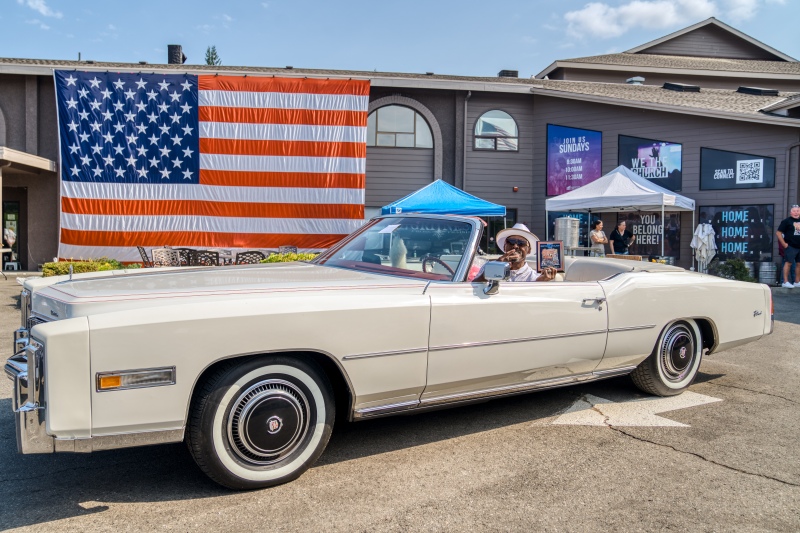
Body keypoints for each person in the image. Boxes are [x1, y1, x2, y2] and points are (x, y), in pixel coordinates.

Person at [473, 223, 556, 282]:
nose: (515, 246)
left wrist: (541, 281)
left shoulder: (534, 277)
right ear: (505, 246)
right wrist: (496, 267)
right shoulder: (489, 267)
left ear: (529, 250)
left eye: (521, 243)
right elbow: (473, 288)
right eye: (511, 241)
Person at [775, 204, 800, 288]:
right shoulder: (786, 221)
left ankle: (797, 281)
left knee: (799, 264)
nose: (796, 213)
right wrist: (784, 244)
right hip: (790, 246)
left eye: (797, 211)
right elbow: (778, 233)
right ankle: (785, 282)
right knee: (788, 263)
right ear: (790, 212)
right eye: (794, 211)